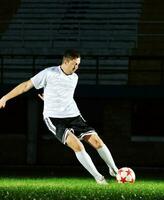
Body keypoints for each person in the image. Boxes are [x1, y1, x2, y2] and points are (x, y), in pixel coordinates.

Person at [0, 49, 118, 184]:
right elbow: (26, 85)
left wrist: (49, 97)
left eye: (78, 64)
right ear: (66, 61)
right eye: (74, 64)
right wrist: (5, 97)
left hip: (74, 116)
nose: (77, 67)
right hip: (54, 118)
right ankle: (99, 178)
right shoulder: (49, 73)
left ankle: (114, 170)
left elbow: (63, 94)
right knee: (78, 146)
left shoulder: (75, 78)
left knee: (97, 141)